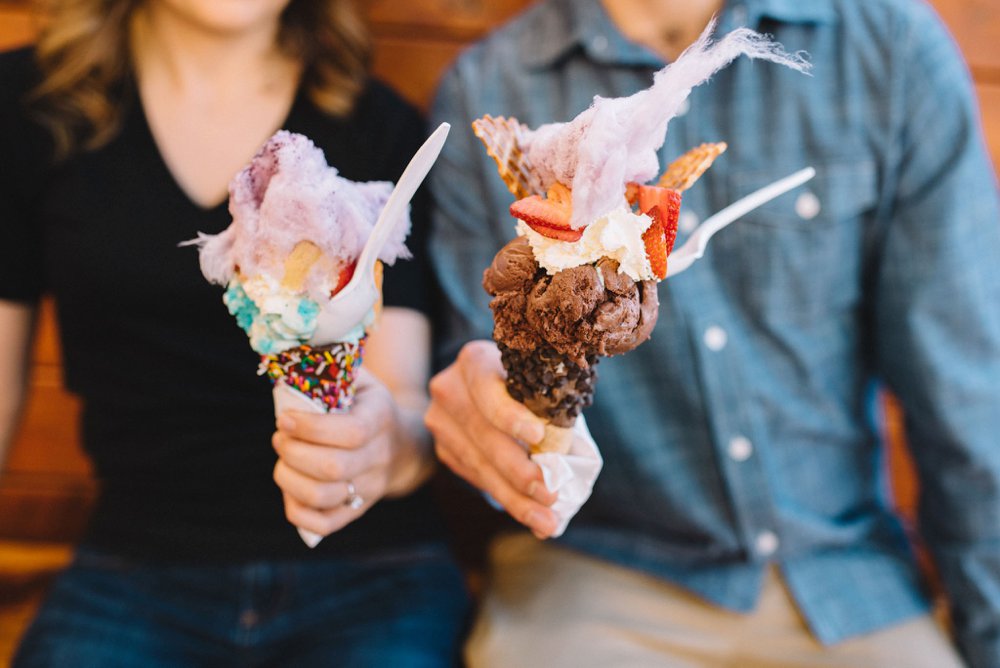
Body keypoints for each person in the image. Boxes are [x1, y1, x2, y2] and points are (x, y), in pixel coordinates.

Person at [425, 0, 1000, 665]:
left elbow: (970, 397)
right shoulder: (488, 87)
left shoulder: (888, 45)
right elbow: (478, 368)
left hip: (844, 579)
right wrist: (487, 415)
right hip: (598, 573)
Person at [1, 1, 469, 665]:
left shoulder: (378, 126)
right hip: (132, 570)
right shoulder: (24, 107)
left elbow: (409, 413)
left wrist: (375, 447)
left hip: (373, 573)